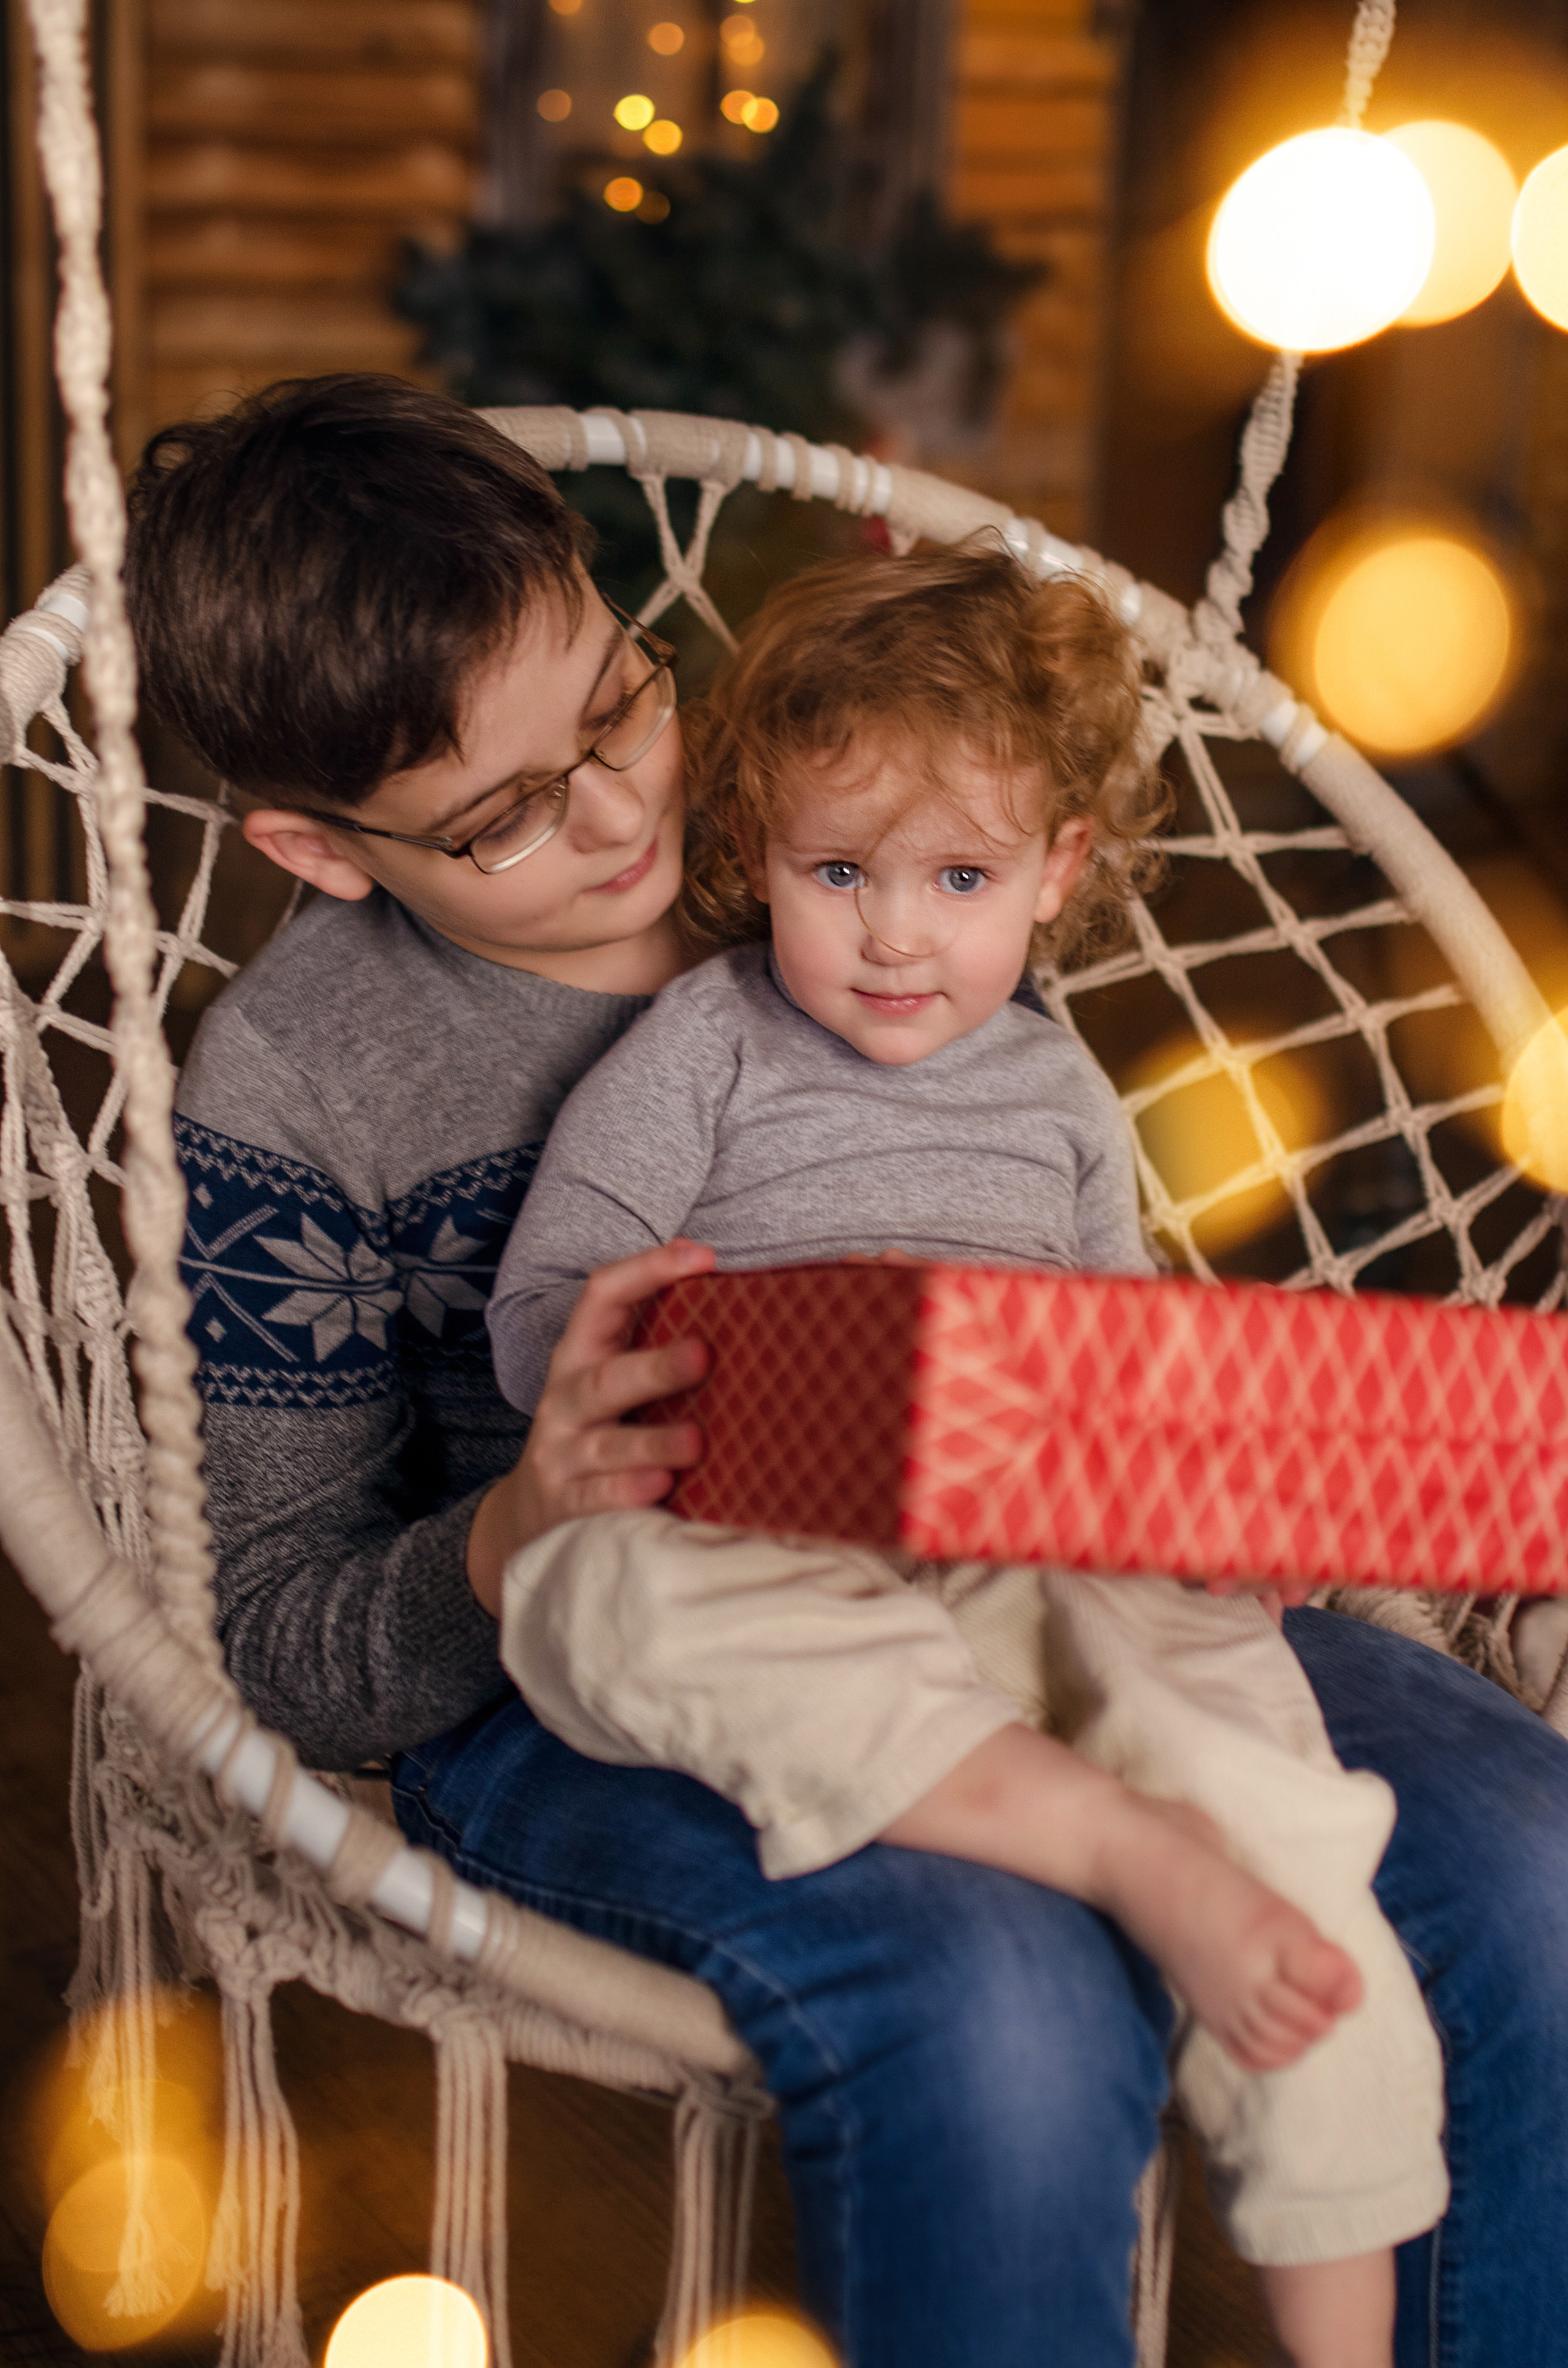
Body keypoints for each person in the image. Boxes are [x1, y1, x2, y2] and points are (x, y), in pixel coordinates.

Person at [125, 371, 1568, 2368]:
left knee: (1534, 1867)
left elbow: (1053, 1251)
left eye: (621, 702)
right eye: (506, 815)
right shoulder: (293, 1087)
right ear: (326, 845)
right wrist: (518, 1521)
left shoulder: (825, 827)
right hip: (631, 1659)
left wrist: (1194, 1475)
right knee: (1003, 1995)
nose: (628, 811)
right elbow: (275, 1634)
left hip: (1046, 1560)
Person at [483, 545, 1445, 2368]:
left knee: (1265, 1778)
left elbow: (1123, 1366)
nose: (896, 933)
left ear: (1060, 873)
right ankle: (1107, 1843)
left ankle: (1343, 2314)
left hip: (1043, 1546)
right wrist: (613, 1374)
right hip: (767, 1529)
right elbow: (549, 1305)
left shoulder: (1059, 1093)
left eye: (960, 878)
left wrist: (1211, 1503)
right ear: (757, 845)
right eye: (837, 873)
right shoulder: (706, 1044)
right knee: (587, 1589)